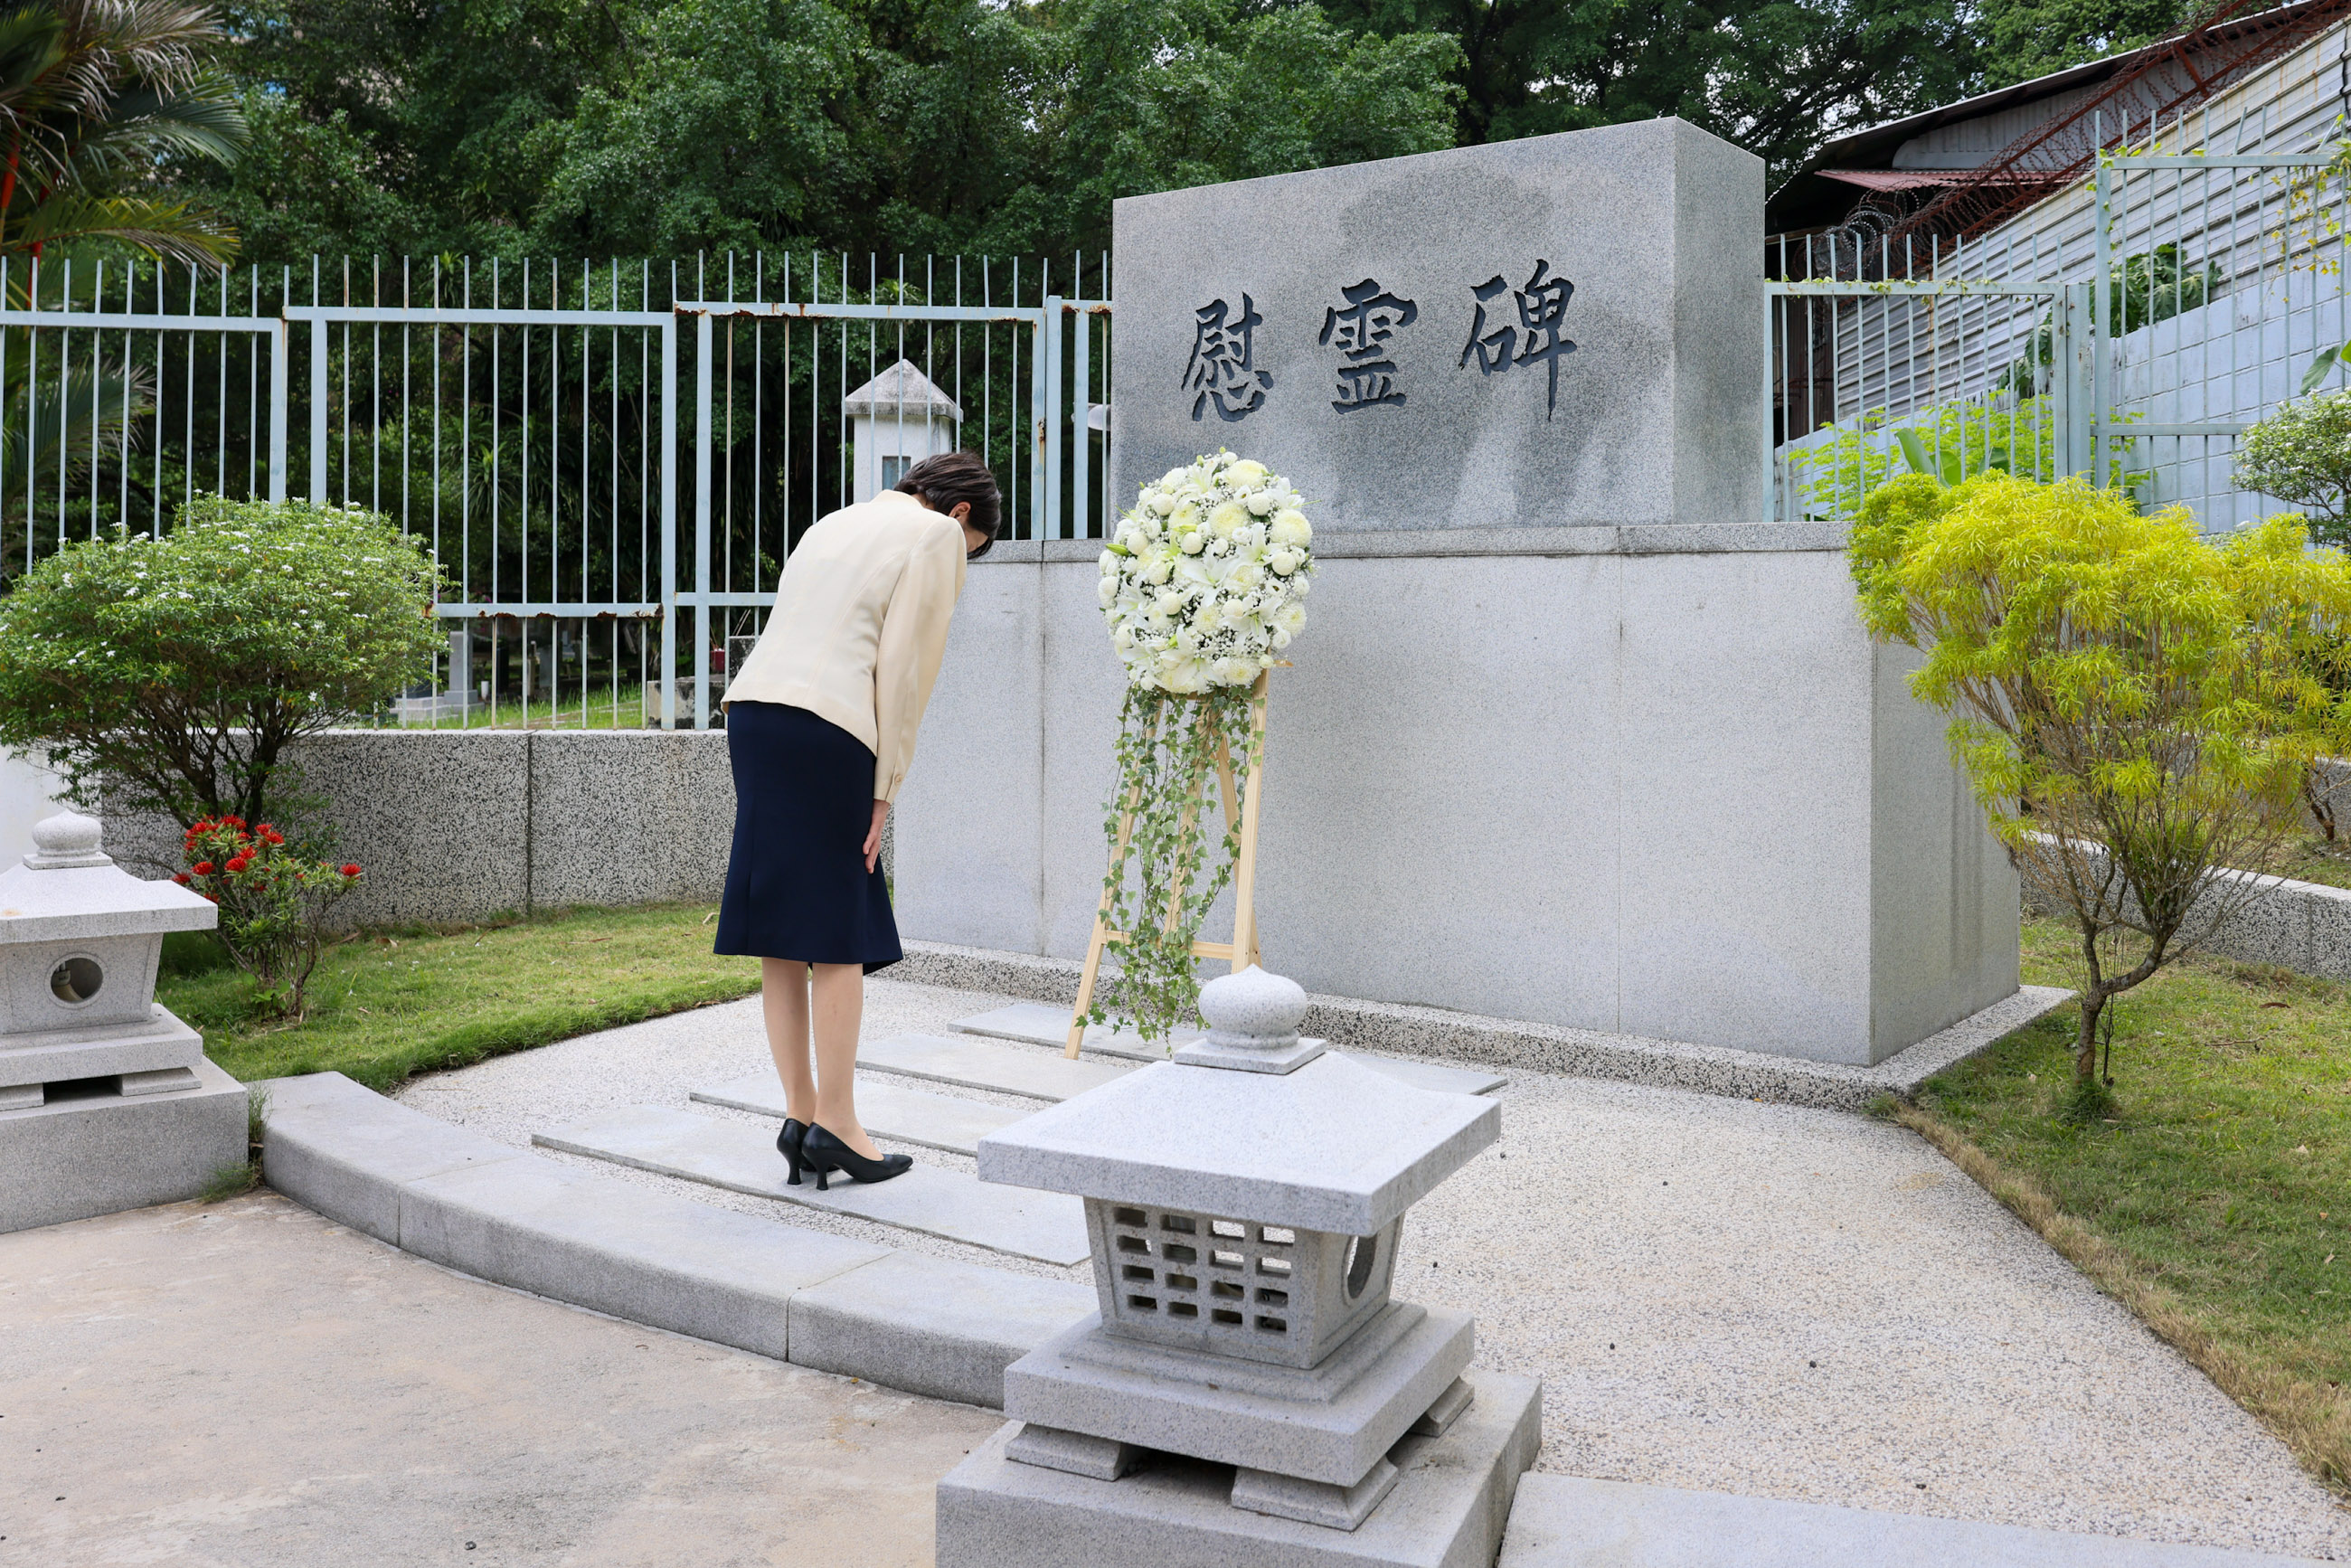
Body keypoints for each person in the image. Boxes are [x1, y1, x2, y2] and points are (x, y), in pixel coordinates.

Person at [714, 451, 999, 1190]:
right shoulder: (934, 536)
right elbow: (905, 666)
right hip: (829, 727)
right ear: (961, 513)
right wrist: (886, 788)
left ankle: (798, 1116)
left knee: (781, 924)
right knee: (839, 922)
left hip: (754, 714)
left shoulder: (835, 520)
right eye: (974, 555)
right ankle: (838, 1126)